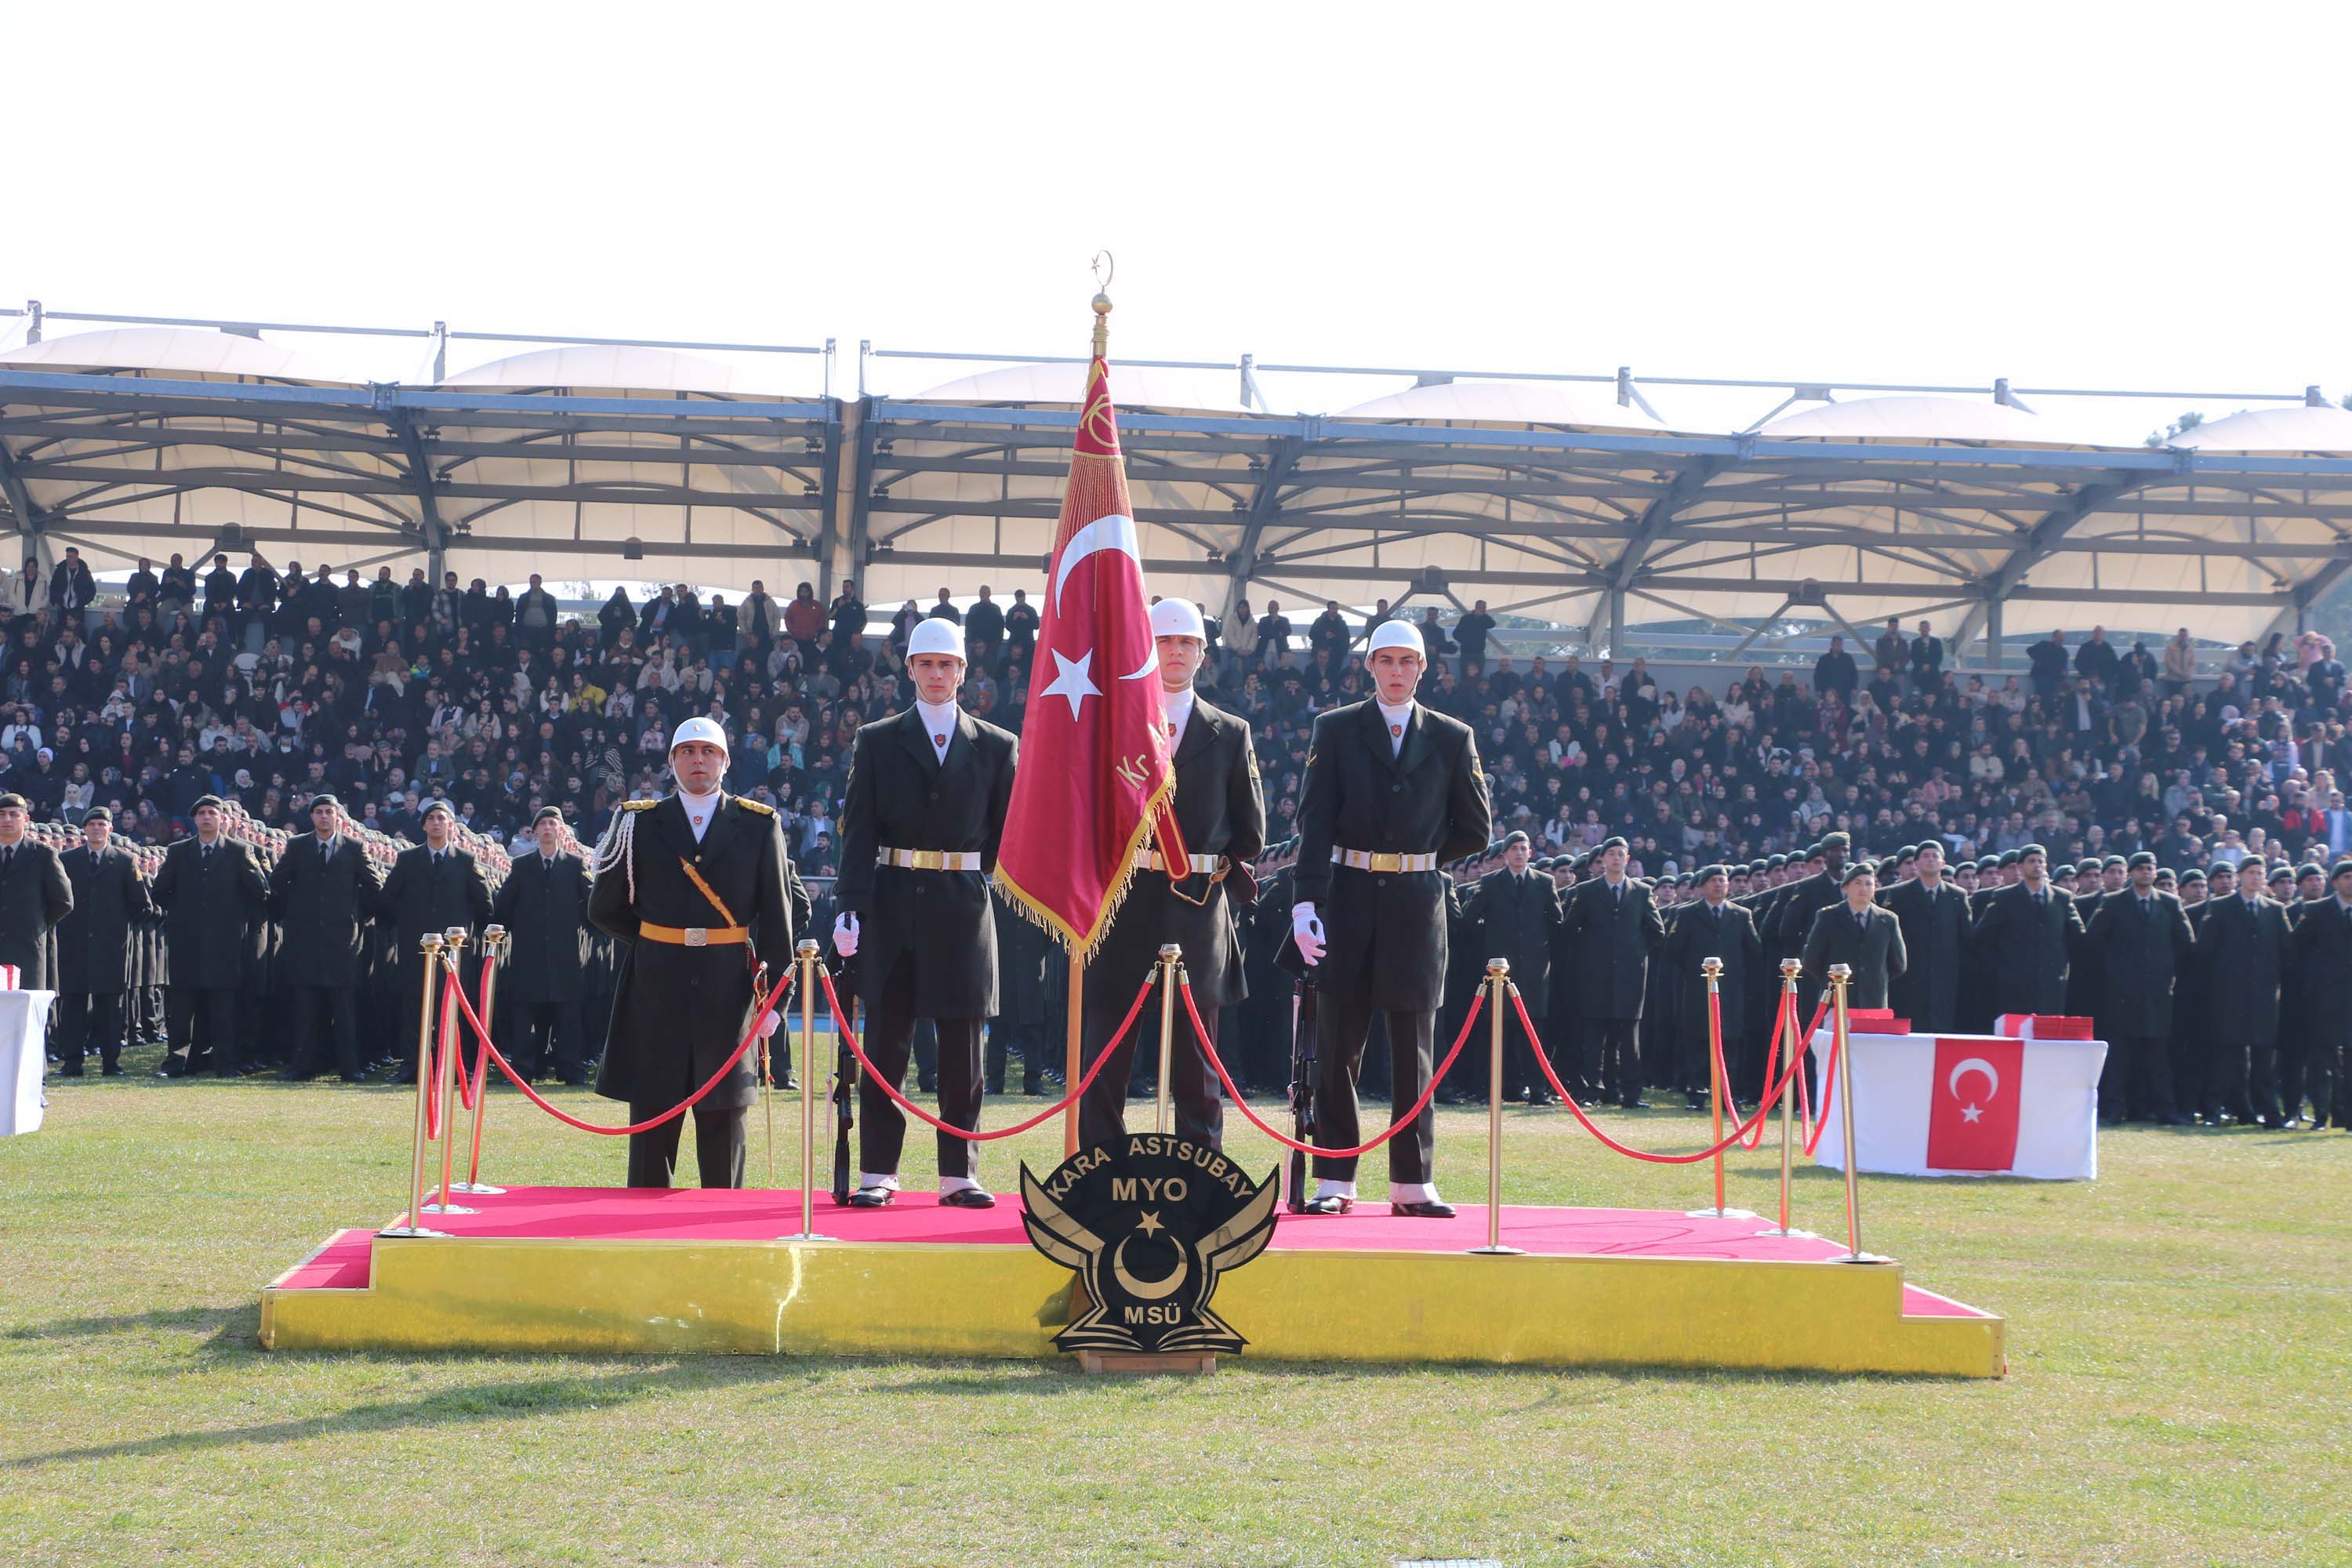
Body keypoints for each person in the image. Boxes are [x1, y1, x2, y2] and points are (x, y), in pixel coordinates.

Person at [1290, 619, 1491, 1216]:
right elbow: (1315, 823)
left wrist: (1416, 860)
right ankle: (1335, 1180)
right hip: (1347, 900)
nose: (1397, 670)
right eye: (1386, 660)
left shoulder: (1454, 737)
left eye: (1408, 661)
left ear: (1424, 669)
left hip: (1416, 907)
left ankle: (1412, 1183)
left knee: (1414, 1052)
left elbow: (1476, 829)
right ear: (1370, 666)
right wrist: (1306, 902)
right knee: (1336, 1050)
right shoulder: (1335, 729)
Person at [831, 618, 1018, 1207]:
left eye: (948, 664)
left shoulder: (997, 745)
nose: (937, 674)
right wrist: (850, 906)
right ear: (908, 669)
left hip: (962, 904)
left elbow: (1008, 834)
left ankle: (959, 1172)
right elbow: (858, 831)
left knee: (965, 1043)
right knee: (887, 1039)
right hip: (892, 901)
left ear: (964, 672)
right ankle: (878, 1170)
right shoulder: (877, 739)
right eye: (926, 664)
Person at [1076, 598, 1265, 1151]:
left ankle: (1200, 1165)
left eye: (1186, 643)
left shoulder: (1231, 732)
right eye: (1165, 641)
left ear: (1203, 654)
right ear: (1147, 648)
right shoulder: (1112, 725)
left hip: (1197, 902)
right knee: (1108, 1047)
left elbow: (1249, 831)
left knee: (1197, 1056)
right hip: (1124, 900)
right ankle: (1101, 1165)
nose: (1176, 652)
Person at [590, 717, 803, 1189]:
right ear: (671, 763)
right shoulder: (638, 821)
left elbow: (777, 921)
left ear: (725, 762)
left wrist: (776, 1002)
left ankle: (725, 1242)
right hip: (656, 988)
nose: (698, 760)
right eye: (687, 752)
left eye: (708, 752)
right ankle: (643, 1241)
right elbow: (604, 907)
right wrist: (657, 939)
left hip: (728, 992)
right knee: (652, 1119)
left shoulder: (758, 824)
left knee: (724, 1120)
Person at [372, 799, 494, 1083]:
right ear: (424, 825)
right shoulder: (408, 860)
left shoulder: (466, 861)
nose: (437, 823)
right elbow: (388, 899)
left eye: (442, 818)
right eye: (432, 819)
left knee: (451, 1008)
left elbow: (483, 903)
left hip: (453, 952)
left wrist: (470, 937)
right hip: (418, 947)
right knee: (415, 1008)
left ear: (451, 824)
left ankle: (450, 1066)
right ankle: (413, 1066)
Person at [147, 796, 270, 1077]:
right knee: (182, 1008)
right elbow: (160, 891)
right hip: (186, 942)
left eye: (212, 813)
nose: (206, 818)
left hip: (225, 943)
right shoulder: (179, 852)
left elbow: (259, 891)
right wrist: (182, 915)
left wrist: (236, 918)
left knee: (223, 1008)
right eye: (201, 813)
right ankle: (177, 1063)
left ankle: (225, 1063)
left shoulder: (239, 851)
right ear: (195, 819)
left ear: (222, 818)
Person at [271, 794, 383, 1083]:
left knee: (344, 1009)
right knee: (306, 1009)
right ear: (311, 817)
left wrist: (357, 919)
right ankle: (302, 1066)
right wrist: (291, 917)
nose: (324, 817)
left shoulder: (354, 848)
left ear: (338, 817)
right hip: (305, 940)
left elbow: (373, 887)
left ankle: (349, 1067)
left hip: (342, 942)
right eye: (318, 812)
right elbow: (278, 882)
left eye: (329, 812)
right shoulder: (297, 846)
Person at [2079, 851, 2194, 1124]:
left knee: (2158, 1058)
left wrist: (2165, 968)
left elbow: (2185, 942)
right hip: (2121, 993)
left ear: (2155, 872)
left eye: (2149, 868)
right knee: (2119, 1056)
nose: (2145, 872)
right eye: (2139, 868)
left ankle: (2165, 1110)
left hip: (2157, 993)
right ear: (2130, 873)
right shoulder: (2113, 902)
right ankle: (2114, 1109)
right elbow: (2094, 941)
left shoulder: (2170, 903)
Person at [492, 806, 596, 1085]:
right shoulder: (522, 866)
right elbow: (504, 905)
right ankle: (523, 1071)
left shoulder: (575, 865)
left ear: (560, 831)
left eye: (553, 824)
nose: (548, 828)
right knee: (525, 1017)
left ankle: (570, 1071)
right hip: (529, 955)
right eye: (543, 824)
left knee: (568, 1017)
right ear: (535, 831)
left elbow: (590, 905)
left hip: (564, 955)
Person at [1460, 830, 1565, 1106]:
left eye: (1524, 848)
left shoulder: (1544, 882)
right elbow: (1470, 919)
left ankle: (1538, 1092)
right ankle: (1493, 1090)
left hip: (1533, 971)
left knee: (1533, 1034)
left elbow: (1557, 922)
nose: (1519, 853)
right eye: (1514, 848)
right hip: (1498, 973)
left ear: (1531, 853)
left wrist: (1542, 954)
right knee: (1497, 1034)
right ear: (1504, 854)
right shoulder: (1490, 882)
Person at [1562, 836, 1667, 1107]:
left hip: (1630, 979)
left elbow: (1657, 932)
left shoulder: (1642, 892)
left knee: (1629, 1042)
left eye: (1621, 854)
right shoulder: (1586, 891)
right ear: (1603, 860)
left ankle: (1631, 1095)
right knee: (1594, 1039)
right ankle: (1592, 1093)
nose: (1616, 859)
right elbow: (1570, 929)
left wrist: (1635, 953)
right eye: (1611, 855)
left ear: (1628, 860)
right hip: (1595, 977)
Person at [53, 809, 152, 1078]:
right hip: (74, 944)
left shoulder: (124, 860)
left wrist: (116, 925)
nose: (97, 829)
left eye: (102, 824)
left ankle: (111, 1062)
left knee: (109, 1007)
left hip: (111, 947)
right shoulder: (67, 860)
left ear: (110, 828)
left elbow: (142, 905)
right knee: (73, 1005)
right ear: (84, 829)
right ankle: (72, 1062)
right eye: (92, 824)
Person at [2196, 857, 2291, 1127]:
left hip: (2262, 998)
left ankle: (2270, 1113)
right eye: (2251, 872)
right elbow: (2205, 951)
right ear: (2240, 876)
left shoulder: (2274, 910)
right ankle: (2213, 1111)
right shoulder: (2221, 907)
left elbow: (2286, 953)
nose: (2256, 877)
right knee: (2226, 1058)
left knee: (2263, 1061)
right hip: (2229, 997)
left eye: (2260, 873)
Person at [1663, 862, 1763, 1109]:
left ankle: (1728, 1096)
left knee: (1730, 1044)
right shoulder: (1686, 914)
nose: (1719, 885)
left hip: (1730, 990)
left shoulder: (1741, 915)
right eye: (1713, 881)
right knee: (1697, 1042)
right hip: (1697, 989)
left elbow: (1754, 950)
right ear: (1703, 886)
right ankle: (1697, 1095)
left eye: (1722, 880)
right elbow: (1673, 949)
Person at [1967, 844, 2083, 1020]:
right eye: (2031, 861)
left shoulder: (2062, 898)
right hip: (2014, 984)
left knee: (2048, 1036)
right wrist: (2003, 966)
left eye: (2040, 861)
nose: (2037, 865)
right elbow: (1983, 936)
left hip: (2051, 983)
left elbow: (2078, 936)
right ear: (2021, 867)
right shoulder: (2004, 897)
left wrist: (2060, 962)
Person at [2285, 858, 2352, 1130]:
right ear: (2335, 882)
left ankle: (2346, 1117)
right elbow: (2294, 951)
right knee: (2321, 1061)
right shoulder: (2315, 911)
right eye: (2346, 877)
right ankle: (2321, 1116)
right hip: (2323, 998)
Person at [1885, 840, 1971, 1033]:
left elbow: (1966, 938)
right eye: (1925, 856)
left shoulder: (1957, 896)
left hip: (1945, 979)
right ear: (1916, 864)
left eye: (1935, 856)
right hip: (1909, 978)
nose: (1931, 860)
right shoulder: (1899, 894)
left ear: (1943, 863)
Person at [1800, 860, 1907, 1010]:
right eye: (1858, 883)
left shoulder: (1888, 920)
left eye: (1869, 884)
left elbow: (1898, 964)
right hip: (1836, 1000)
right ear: (1846, 887)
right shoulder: (1828, 917)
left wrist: (1873, 979)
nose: (1863, 888)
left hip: (1874, 1002)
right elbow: (1812, 960)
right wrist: (1832, 979)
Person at [0, 793, 71, 1000]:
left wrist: (36, 923)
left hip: (27, 949)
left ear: (26, 819)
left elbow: (64, 901)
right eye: (2, 814)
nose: (7, 819)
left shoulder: (43, 855)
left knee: (25, 1015)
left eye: (14, 814)